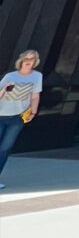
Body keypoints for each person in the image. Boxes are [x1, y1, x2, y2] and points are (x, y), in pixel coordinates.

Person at [0, 49, 43, 189]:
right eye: (26, 58)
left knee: (5, 148)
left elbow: (35, 95)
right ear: (21, 60)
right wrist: (5, 89)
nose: (28, 61)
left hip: (18, 117)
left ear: (35, 61)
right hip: (1, 114)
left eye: (32, 59)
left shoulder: (37, 76)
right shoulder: (10, 76)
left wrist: (33, 112)